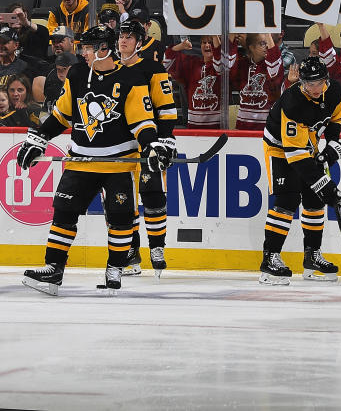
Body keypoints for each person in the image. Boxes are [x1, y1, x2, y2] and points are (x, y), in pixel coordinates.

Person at [17, 24, 171, 295]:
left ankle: (115, 269)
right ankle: (54, 269)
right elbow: (61, 115)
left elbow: (142, 122)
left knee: (121, 218)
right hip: (81, 160)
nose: (83, 52)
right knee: (64, 214)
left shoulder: (132, 77)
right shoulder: (77, 74)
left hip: (119, 163)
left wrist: (153, 144)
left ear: (104, 49)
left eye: (87, 47)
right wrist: (39, 138)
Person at [259, 56, 341, 285]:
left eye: (319, 83)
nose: (315, 88)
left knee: (315, 201)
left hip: (308, 144)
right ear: (301, 83)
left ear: (326, 80)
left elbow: (334, 121)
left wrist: (331, 147)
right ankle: (269, 259)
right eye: (309, 84)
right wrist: (324, 184)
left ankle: (312, 257)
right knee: (287, 199)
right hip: (280, 148)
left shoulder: (334, 91)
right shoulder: (293, 102)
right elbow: (294, 155)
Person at [115, 19, 178, 276]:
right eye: (121, 36)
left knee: (153, 196)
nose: (123, 40)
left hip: (147, 143)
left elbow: (165, 107)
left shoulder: (153, 68)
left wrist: (165, 139)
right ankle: (131, 251)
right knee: (122, 201)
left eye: (129, 37)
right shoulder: (110, 67)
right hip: (118, 144)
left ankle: (157, 247)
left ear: (139, 42)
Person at [164, 35, 225, 129]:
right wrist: (181, 46)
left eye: (211, 43)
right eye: (204, 43)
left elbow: (220, 64)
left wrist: (215, 37)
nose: (207, 45)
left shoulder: (224, 68)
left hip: (217, 129)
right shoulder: (192, 65)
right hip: (193, 129)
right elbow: (166, 64)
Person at [229, 32, 284, 131]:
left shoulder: (272, 65)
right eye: (262, 43)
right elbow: (228, 66)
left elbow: (273, 61)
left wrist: (267, 32)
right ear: (251, 47)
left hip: (267, 128)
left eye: (267, 43)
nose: (267, 46)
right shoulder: (242, 64)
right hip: (243, 127)